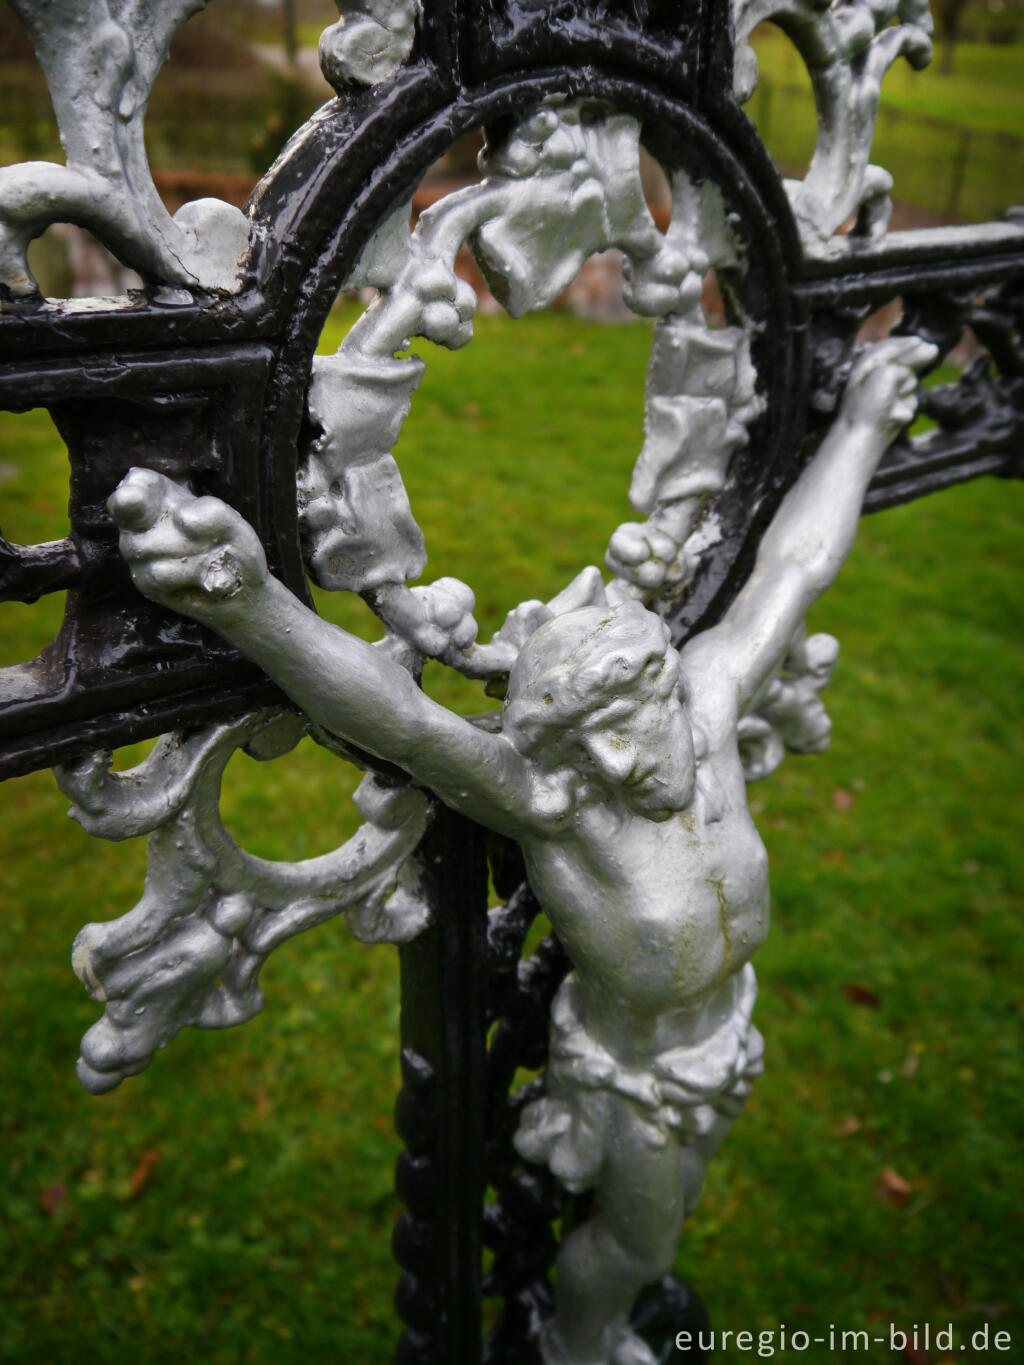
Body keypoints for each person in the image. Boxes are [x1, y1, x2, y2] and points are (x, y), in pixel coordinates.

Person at [108, 335, 934, 1365]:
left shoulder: (710, 706)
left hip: (729, 1026)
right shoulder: (557, 808)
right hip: (631, 1076)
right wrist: (244, 601)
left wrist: (857, 430)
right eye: (594, 751)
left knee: (680, 1209)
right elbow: (399, 722)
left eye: (636, 724)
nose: (630, 766)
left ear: (667, 686)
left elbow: (793, 572)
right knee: (638, 1240)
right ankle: (579, 1346)